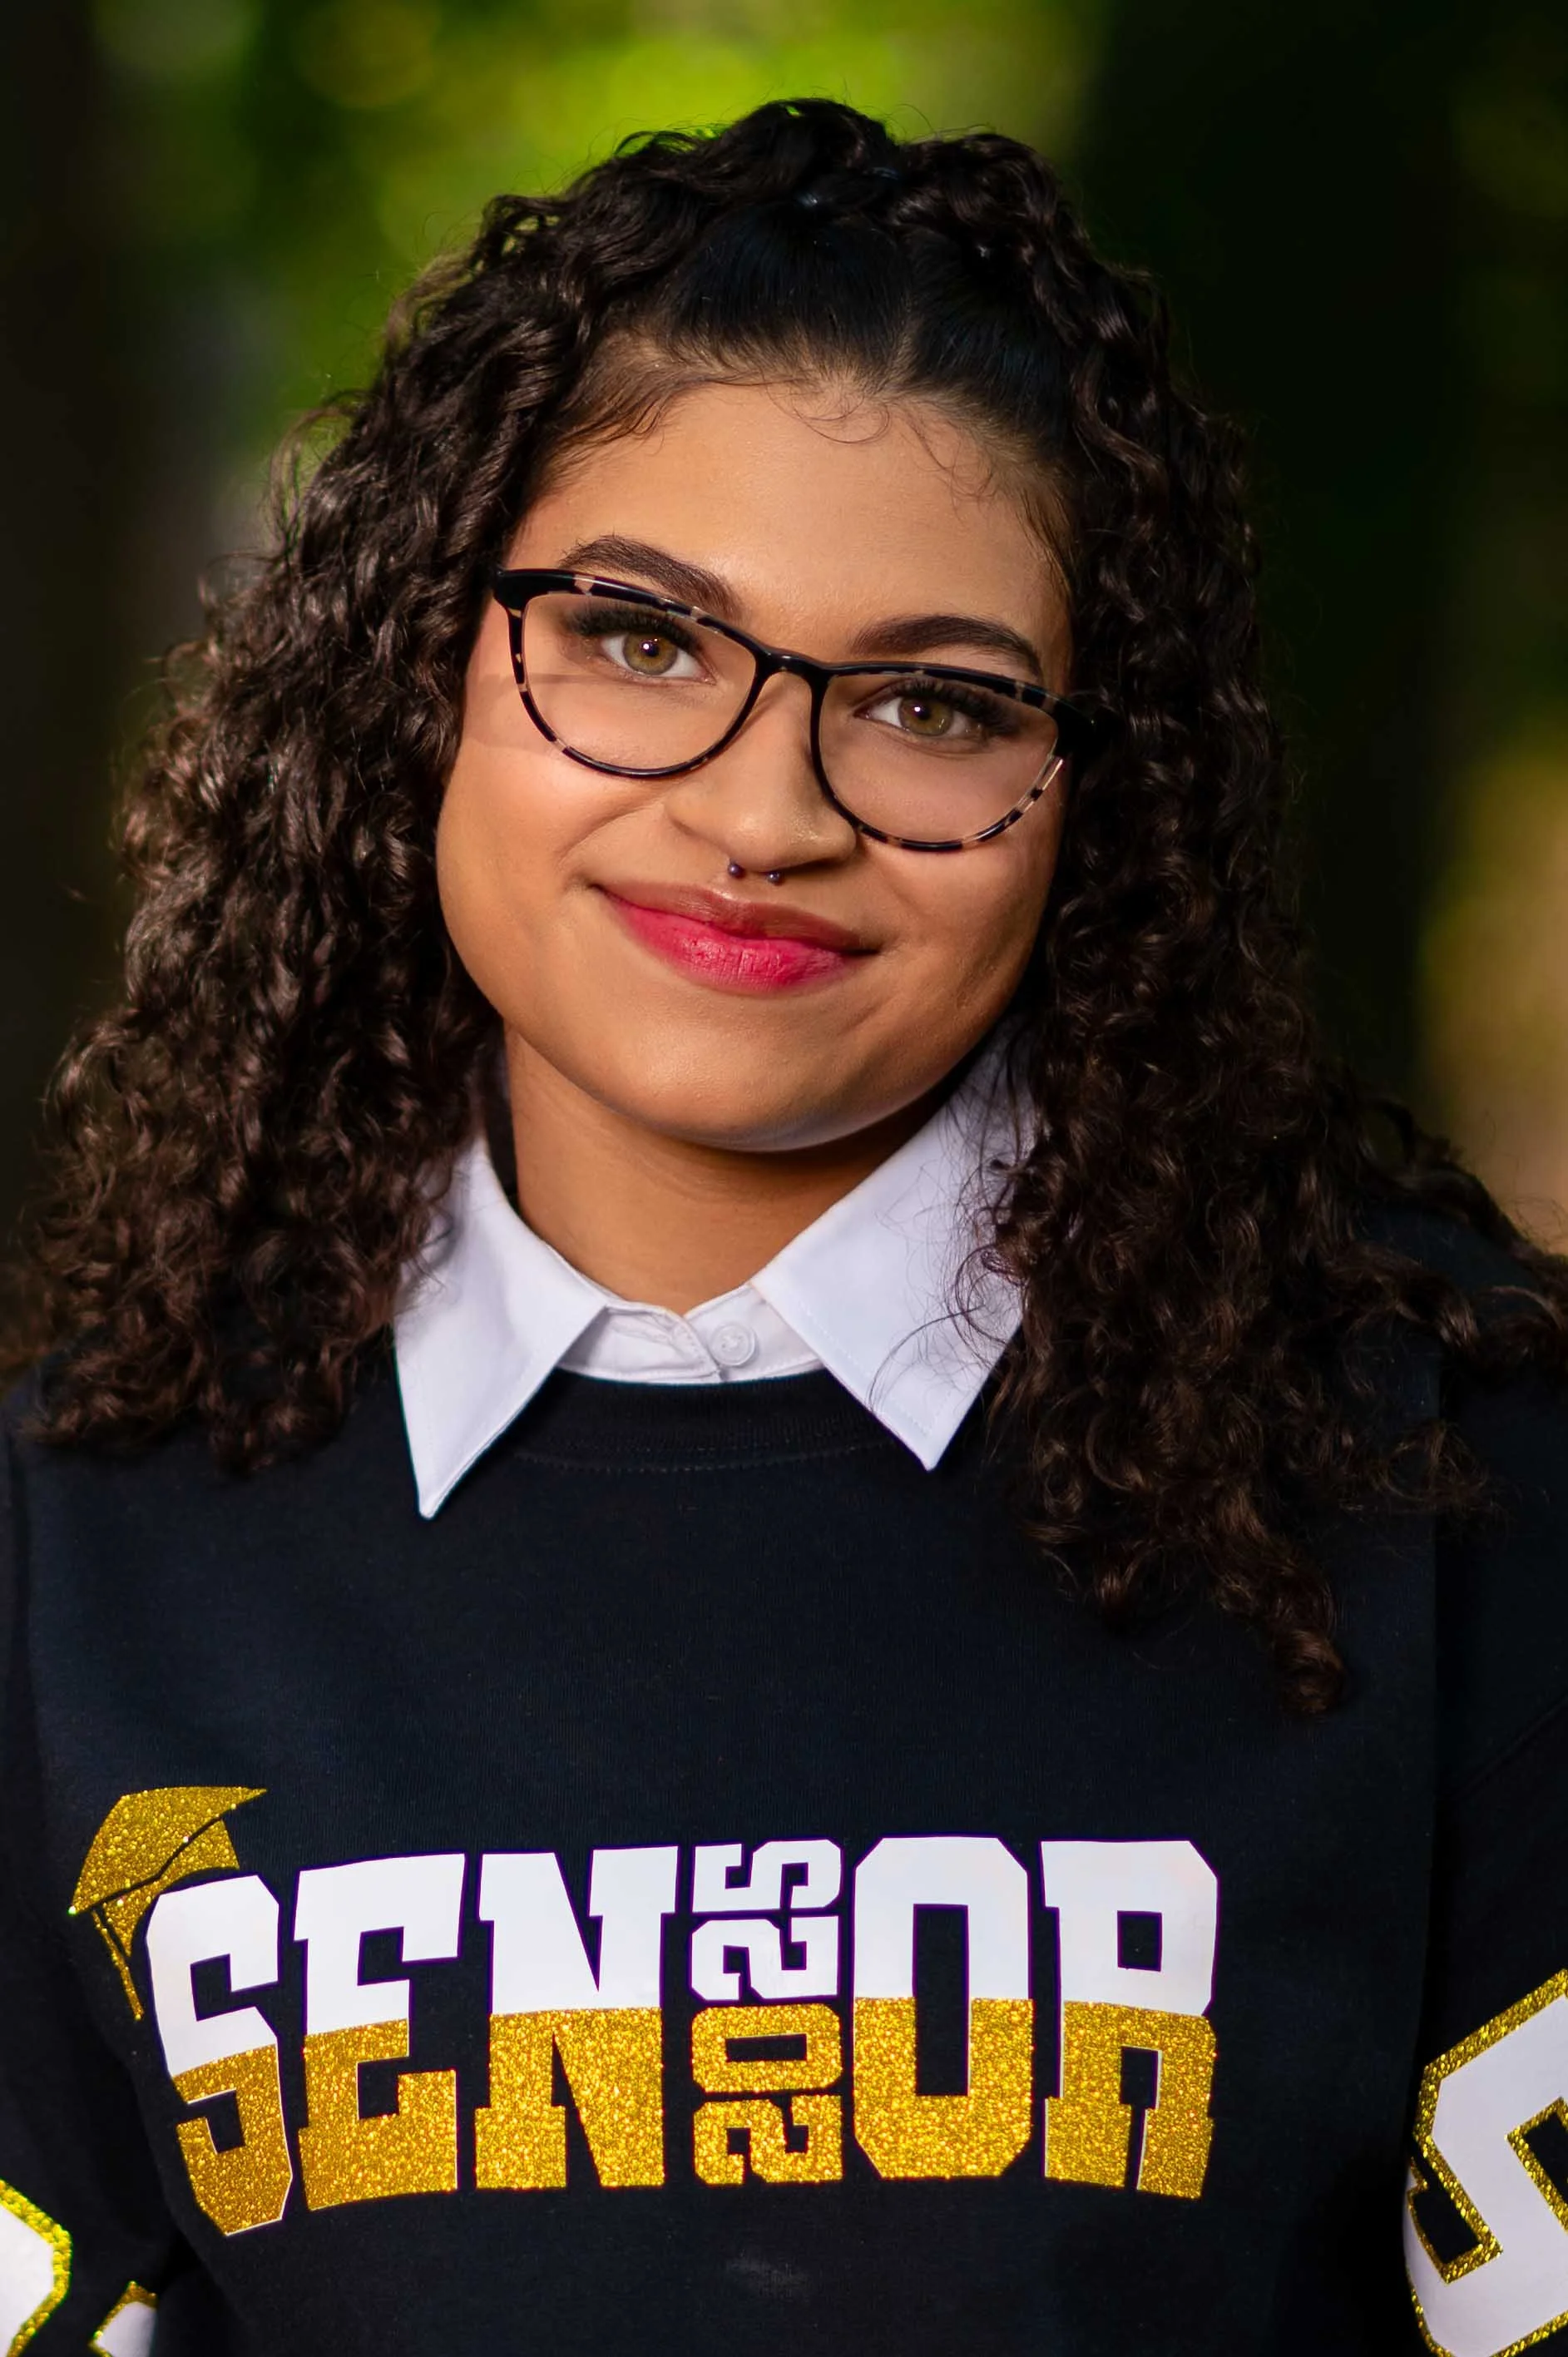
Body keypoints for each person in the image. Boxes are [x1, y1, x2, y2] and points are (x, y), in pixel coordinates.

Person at [0, 94, 1564, 2357]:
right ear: (422, 659)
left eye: (929, 706)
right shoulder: (76, 1563)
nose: (758, 813)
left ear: (1087, 801)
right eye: (637, 639)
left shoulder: (1460, 1504)